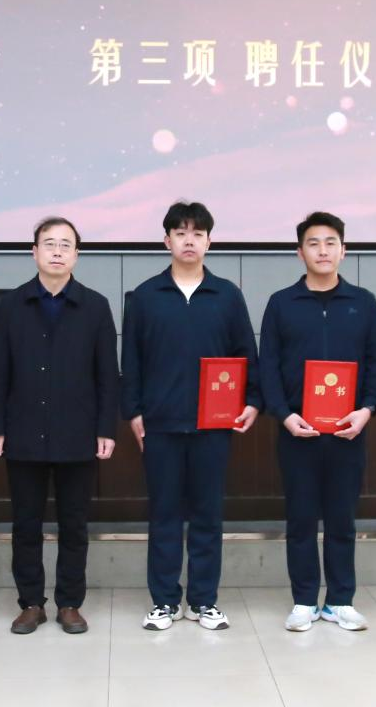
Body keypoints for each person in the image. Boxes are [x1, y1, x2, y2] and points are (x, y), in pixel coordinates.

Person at [122, 201, 261, 632]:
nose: (189, 240)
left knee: (207, 515)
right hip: (160, 423)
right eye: (180, 233)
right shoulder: (146, 296)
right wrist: (134, 412)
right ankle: (164, 601)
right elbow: (132, 361)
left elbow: (246, 353)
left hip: (213, 425)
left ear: (209, 241)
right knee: (163, 514)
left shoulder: (227, 295)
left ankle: (203, 600)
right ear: (166, 240)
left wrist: (252, 401)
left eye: (197, 233)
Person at [0, 217, 118, 635]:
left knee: (74, 524)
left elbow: (107, 375)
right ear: (34, 252)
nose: (57, 251)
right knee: (25, 523)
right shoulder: (12, 304)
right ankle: (30, 603)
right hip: (23, 429)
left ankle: (69, 603)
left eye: (65, 245)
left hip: (78, 432)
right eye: (49, 244)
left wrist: (106, 429)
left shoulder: (95, 306)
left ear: (76, 254)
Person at [258, 212, 376, 633]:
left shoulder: (363, 303)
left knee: (341, 520)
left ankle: (340, 600)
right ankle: (303, 601)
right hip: (298, 431)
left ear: (343, 250)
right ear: (300, 252)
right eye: (313, 243)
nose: (323, 250)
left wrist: (366, 410)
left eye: (331, 243)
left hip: (349, 432)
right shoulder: (282, 303)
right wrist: (285, 415)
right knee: (300, 519)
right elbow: (268, 366)